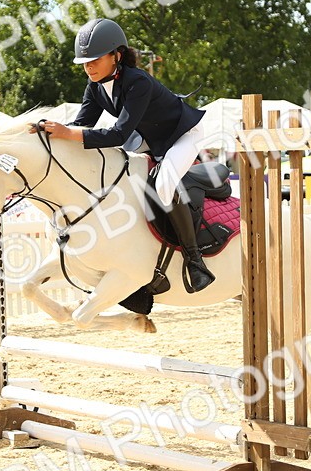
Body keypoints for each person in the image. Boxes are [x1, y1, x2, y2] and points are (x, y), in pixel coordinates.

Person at [37, 18, 215, 292]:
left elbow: (119, 134)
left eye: (95, 60)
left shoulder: (138, 82)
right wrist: (48, 133)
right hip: (148, 137)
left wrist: (68, 134)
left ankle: (195, 261)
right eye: (84, 62)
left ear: (116, 56)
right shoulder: (94, 86)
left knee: (164, 185)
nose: (89, 67)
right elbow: (82, 125)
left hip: (182, 134)